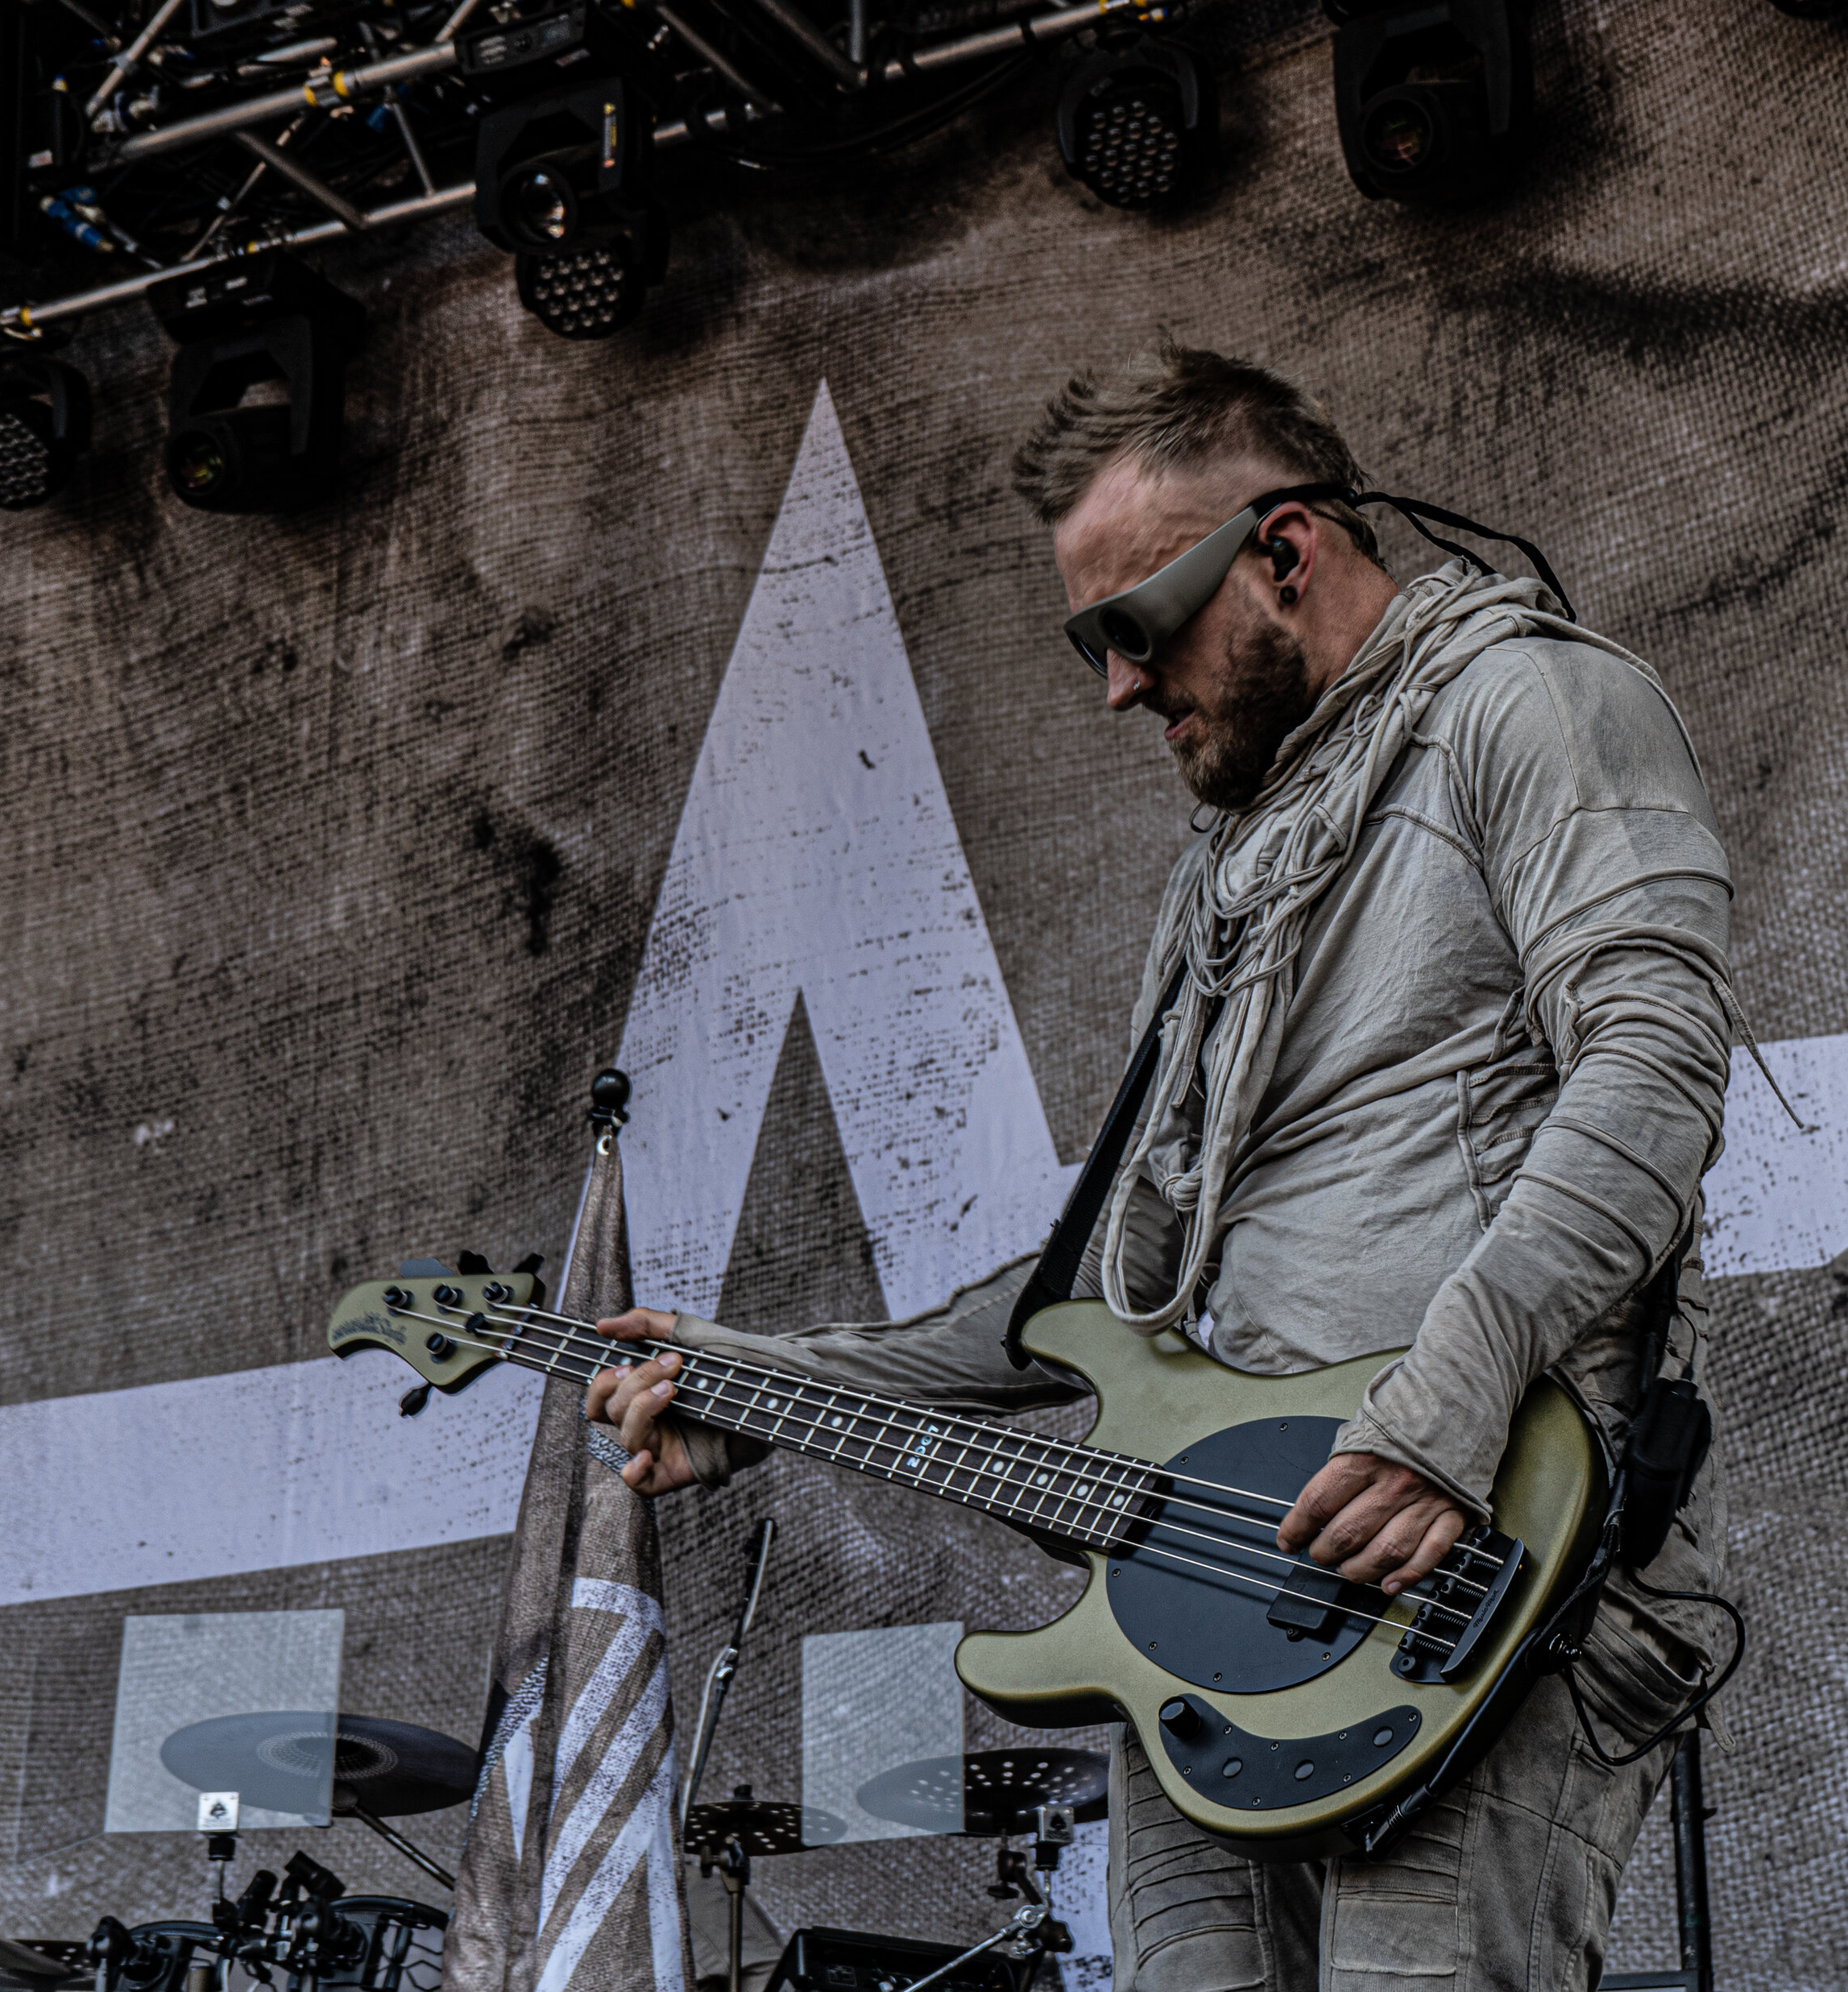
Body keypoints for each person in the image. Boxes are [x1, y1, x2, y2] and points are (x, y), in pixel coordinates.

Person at [586, 341, 1735, 1992]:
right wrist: (752, 1380)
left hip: (1470, 1571)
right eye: (1091, 640)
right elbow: (1087, 1295)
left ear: (1283, 550)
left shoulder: (1527, 700)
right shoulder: (1225, 866)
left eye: (1132, 624)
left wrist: (1439, 1411)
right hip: (1215, 1602)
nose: (1114, 684)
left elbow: (1649, 1069)